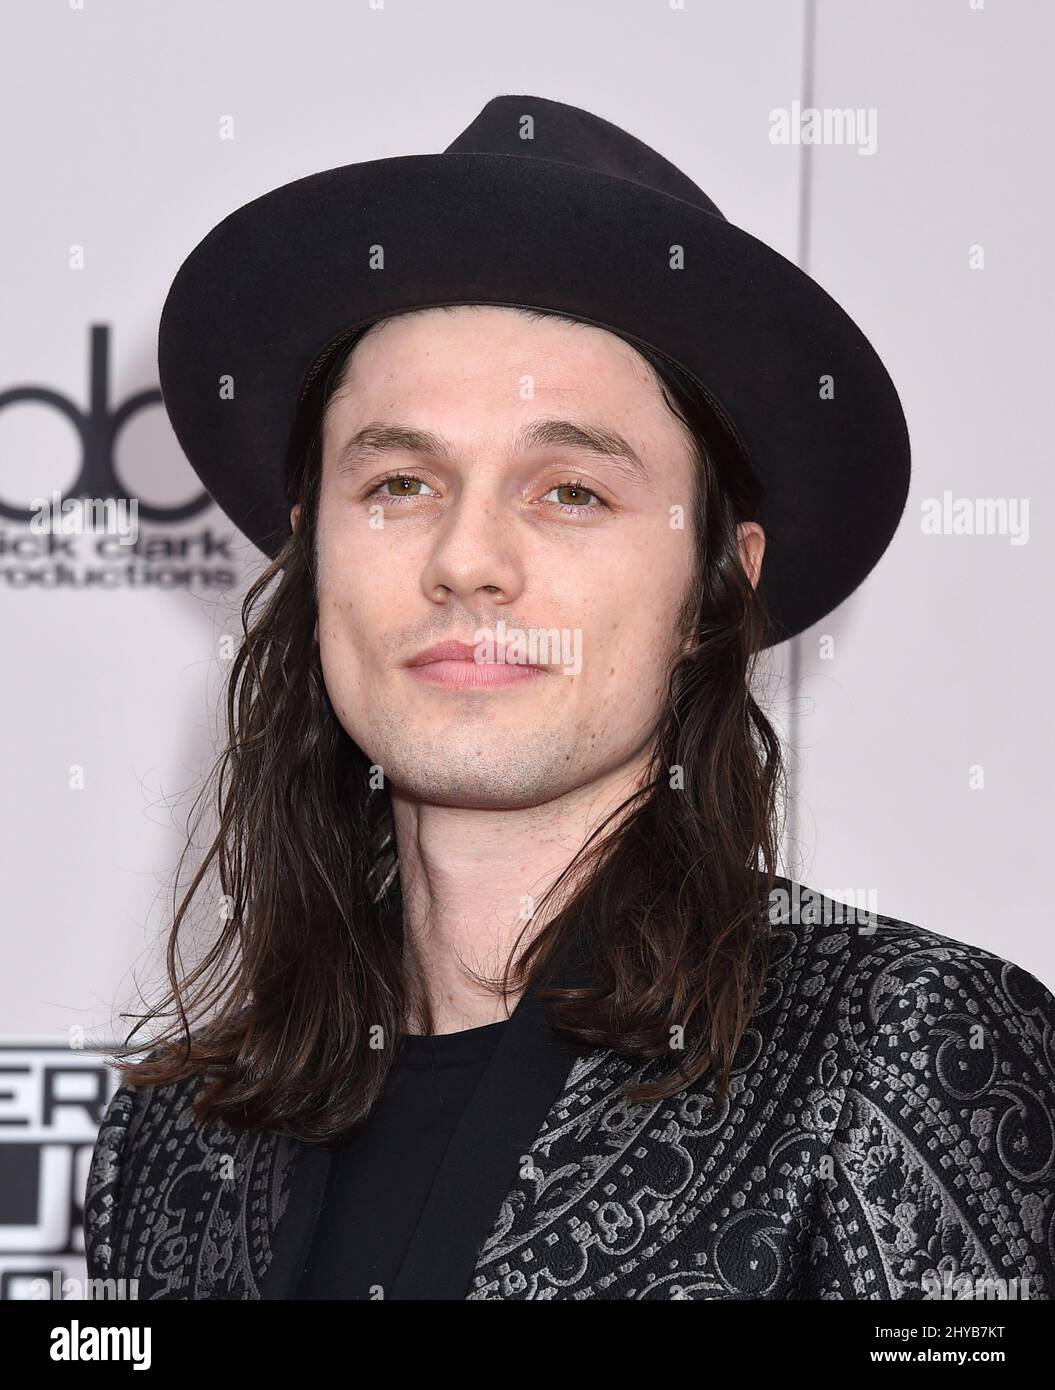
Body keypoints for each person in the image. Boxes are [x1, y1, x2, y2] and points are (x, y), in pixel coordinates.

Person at [84, 95, 1055, 1301]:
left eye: (571, 492)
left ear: (715, 586)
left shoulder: (903, 1046)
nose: (467, 558)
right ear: (309, 553)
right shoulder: (168, 1148)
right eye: (396, 481)